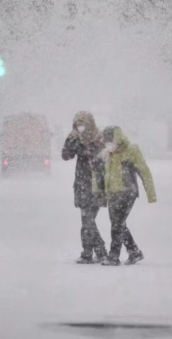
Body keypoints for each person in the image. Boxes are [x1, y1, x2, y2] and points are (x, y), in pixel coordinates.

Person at [97, 126, 156, 266]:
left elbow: (144, 171)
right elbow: (98, 172)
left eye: (110, 141)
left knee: (117, 224)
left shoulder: (131, 151)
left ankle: (113, 257)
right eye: (106, 142)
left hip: (127, 192)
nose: (108, 144)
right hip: (112, 193)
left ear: (118, 139)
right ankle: (134, 251)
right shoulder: (107, 154)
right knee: (118, 224)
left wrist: (151, 194)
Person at [62, 111, 107, 264]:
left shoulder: (99, 139)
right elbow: (66, 156)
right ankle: (90, 252)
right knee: (87, 220)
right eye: (77, 125)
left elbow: (98, 158)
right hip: (82, 184)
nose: (80, 128)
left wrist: (83, 148)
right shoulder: (76, 138)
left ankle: (95, 251)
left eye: (83, 124)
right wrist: (71, 140)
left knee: (88, 220)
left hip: (96, 183)